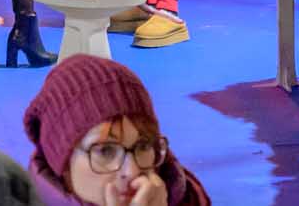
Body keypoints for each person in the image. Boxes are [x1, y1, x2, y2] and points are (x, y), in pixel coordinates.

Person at [21, 55, 212, 206]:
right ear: (62, 165)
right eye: (105, 151)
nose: (132, 171)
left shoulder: (186, 197)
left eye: (143, 145)